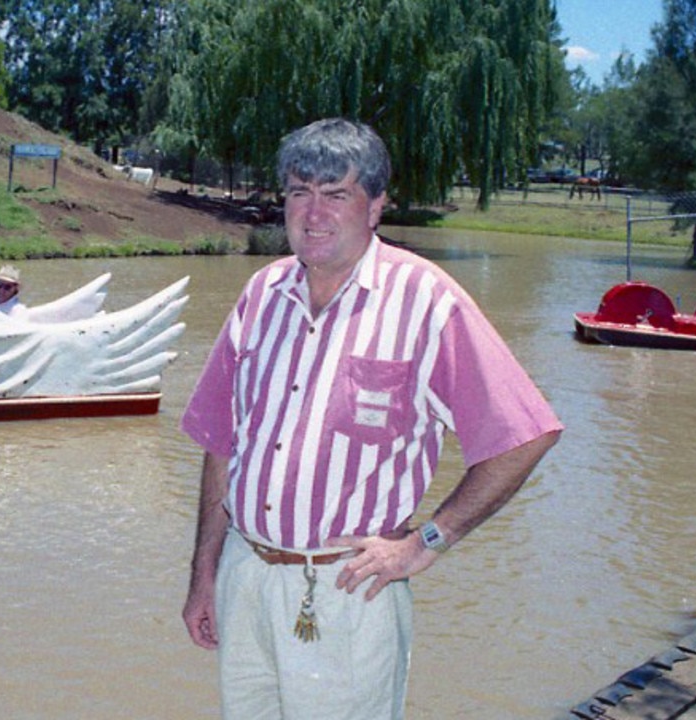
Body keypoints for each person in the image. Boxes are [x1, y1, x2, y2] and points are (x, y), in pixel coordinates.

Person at [179, 118, 562, 720]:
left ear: (377, 205)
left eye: (337, 194)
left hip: (349, 590)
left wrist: (424, 544)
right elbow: (221, 443)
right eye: (299, 192)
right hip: (244, 575)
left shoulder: (426, 300)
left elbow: (525, 434)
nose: (313, 212)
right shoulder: (260, 295)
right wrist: (204, 573)